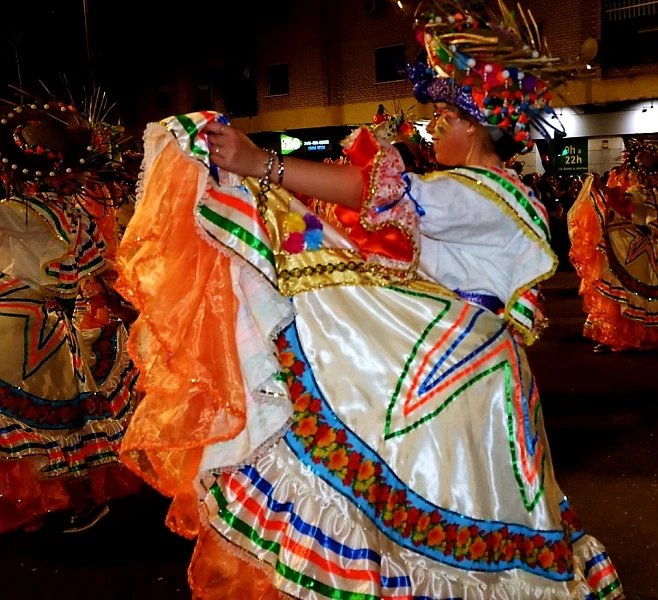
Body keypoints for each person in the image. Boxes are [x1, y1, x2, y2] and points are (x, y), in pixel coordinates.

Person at [115, 4, 621, 599]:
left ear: (476, 127)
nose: (434, 129)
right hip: (469, 371)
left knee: (449, 512)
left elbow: (369, 193)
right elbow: (366, 232)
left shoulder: (478, 193)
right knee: (450, 509)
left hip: (457, 376)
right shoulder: (498, 194)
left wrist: (262, 165)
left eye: (442, 117)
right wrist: (283, 218)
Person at [0, 94, 143, 533]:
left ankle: (56, 502)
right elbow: (94, 268)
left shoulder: (12, 213)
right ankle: (80, 500)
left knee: (28, 420)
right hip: (51, 323)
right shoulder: (74, 212)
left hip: (18, 325)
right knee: (68, 419)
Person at [568, 140, 658, 353]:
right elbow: (619, 200)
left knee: (632, 291)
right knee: (625, 290)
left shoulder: (650, 194)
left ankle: (631, 335)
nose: (650, 176)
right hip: (634, 243)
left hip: (642, 246)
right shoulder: (640, 192)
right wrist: (599, 186)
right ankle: (619, 335)